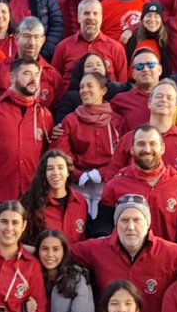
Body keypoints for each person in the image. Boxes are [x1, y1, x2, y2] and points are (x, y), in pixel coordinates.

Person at [73, 195, 177, 312]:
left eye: (137, 220)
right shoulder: (96, 249)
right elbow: (61, 252)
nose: (131, 227)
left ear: (148, 223)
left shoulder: (174, 254)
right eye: (124, 220)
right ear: (116, 224)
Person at [0, 57, 53, 234]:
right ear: (11, 77)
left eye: (36, 74)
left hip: (31, 201)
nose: (33, 79)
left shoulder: (44, 115)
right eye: (26, 74)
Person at [101, 125, 177, 242]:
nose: (147, 149)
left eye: (153, 144)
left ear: (162, 148)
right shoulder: (115, 186)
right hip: (125, 258)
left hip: (168, 257)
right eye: (141, 144)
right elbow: (103, 226)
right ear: (132, 149)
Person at [52, 68, 127, 209]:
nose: (84, 90)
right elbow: (61, 153)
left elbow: (122, 156)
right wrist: (78, 175)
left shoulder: (117, 121)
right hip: (77, 184)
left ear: (103, 91)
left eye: (89, 86)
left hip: (109, 183)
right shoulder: (71, 120)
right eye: (81, 87)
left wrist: (102, 173)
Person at [106, 78, 177, 180]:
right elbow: (111, 179)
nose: (164, 100)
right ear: (149, 103)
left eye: (169, 98)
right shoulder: (129, 139)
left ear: (176, 108)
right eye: (159, 96)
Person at [0, 16, 63, 107]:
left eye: (36, 37)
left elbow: (58, 110)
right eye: (26, 36)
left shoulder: (52, 76)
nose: (31, 43)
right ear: (16, 38)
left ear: (43, 40)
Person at [51, 0, 130, 89]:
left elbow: (122, 85)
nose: (91, 17)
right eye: (86, 13)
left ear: (101, 17)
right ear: (78, 17)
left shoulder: (116, 48)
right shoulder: (63, 47)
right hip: (72, 101)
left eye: (95, 13)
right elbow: (55, 82)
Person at [20, 150, 89, 245]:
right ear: (44, 173)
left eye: (60, 168)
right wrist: (38, 252)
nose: (55, 173)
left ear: (68, 172)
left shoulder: (81, 202)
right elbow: (19, 243)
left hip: (76, 259)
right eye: (50, 168)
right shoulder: (32, 203)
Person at [110, 47, 162, 130]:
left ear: (160, 70)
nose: (145, 69)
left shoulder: (172, 96)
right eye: (140, 66)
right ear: (133, 74)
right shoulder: (121, 100)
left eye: (150, 65)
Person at [124, 1, 172, 78]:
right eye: (148, 15)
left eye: (156, 16)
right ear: (142, 19)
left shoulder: (167, 37)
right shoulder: (134, 37)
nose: (152, 19)